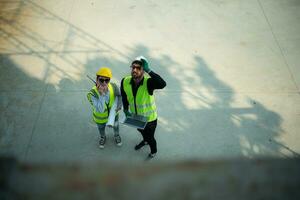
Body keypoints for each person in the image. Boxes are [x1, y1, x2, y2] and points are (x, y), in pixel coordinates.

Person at [120, 56, 166, 159]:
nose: (135, 70)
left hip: (150, 120)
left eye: (138, 68)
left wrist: (149, 70)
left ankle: (153, 151)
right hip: (136, 117)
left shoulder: (148, 83)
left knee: (150, 138)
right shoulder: (125, 81)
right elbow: (124, 96)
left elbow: (162, 84)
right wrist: (126, 109)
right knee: (141, 131)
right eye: (133, 67)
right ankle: (144, 141)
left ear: (143, 70)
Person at [87, 67, 122, 149]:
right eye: (101, 80)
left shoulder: (113, 86)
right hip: (100, 118)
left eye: (107, 80)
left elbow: (119, 96)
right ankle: (103, 137)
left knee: (116, 126)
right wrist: (102, 94)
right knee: (101, 129)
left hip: (113, 115)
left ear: (109, 80)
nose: (104, 82)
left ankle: (117, 135)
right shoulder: (91, 94)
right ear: (96, 79)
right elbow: (100, 109)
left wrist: (119, 105)